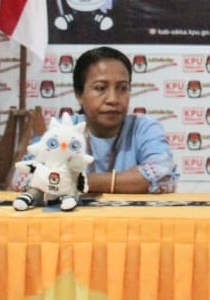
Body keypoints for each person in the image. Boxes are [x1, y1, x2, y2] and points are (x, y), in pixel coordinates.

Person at [68, 46, 178, 193]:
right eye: (100, 88)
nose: (113, 99)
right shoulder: (64, 130)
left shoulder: (144, 128)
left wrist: (80, 181)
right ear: (79, 94)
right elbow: (40, 178)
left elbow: (163, 175)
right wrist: (133, 179)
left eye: (122, 88)